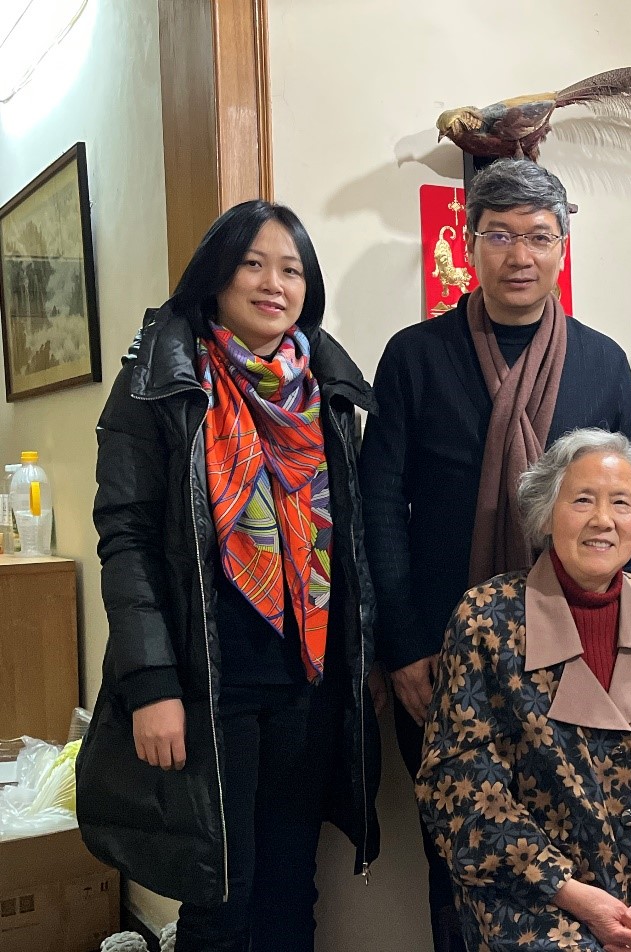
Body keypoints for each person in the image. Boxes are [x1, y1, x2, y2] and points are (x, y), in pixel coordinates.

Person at [76, 200, 381, 952]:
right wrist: (151, 685)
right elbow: (127, 537)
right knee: (221, 896)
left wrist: (362, 664)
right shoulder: (162, 382)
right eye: (253, 264)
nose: (274, 284)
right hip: (208, 683)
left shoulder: (328, 389)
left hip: (308, 677)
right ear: (216, 275)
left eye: (292, 270)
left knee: (291, 887)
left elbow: (351, 544)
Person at [359, 158, 631, 951]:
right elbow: (379, 506)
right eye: (500, 236)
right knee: (456, 851)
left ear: (562, 248)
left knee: (577, 844)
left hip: (576, 651)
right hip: (442, 648)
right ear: (469, 244)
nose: (521, 256)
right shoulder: (415, 355)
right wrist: (404, 646)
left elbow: (627, 511)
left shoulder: (602, 361)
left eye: (539, 237)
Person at [417, 429, 631, 952]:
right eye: (582, 500)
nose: (603, 520)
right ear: (546, 514)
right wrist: (573, 894)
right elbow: (460, 788)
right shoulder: (486, 618)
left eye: (621, 503)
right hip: (533, 899)